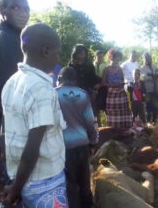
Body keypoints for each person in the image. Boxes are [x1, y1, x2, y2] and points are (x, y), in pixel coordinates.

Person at [0, 23, 68, 207]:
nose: (58, 57)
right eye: (57, 52)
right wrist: (14, 191)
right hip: (45, 180)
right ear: (46, 51)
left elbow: (4, 131)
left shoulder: (11, 83)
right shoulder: (42, 88)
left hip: (18, 175)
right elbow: (33, 146)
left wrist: (13, 182)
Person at [0, 0, 29, 161]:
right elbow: (8, 89)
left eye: (26, 9)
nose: (23, 13)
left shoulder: (15, 38)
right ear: (2, 11)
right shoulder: (7, 40)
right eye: (15, 7)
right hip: (3, 123)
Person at [56, 67, 99, 208]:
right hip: (82, 143)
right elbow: (90, 121)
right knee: (84, 181)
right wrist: (93, 143)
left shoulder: (53, 94)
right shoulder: (83, 94)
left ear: (60, 78)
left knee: (69, 184)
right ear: (74, 80)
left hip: (63, 146)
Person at [102, 49, 132, 130]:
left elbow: (122, 80)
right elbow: (103, 83)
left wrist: (121, 84)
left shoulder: (120, 69)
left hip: (121, 94)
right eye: (116, 59)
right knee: (112, 113)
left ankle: (123, 130)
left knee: (123, 112)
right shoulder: (106, 69)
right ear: (111, 58)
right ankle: (112, 130)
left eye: (119, 59)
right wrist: (112, 85)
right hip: (111, 94)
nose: (117, 61)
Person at [141, 52, 158, 125]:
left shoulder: (154, 66)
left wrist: (153, 76)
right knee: (148, 107)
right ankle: (148, 122)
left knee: (156, 106)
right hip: (147, 91)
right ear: (143, 59)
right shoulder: (142, 68)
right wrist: (152, 76)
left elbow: (157, 77)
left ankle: (155, 121)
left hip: (155, 90)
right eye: (146, 58)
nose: (148, 59)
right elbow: (143, 78)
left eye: (149, 57)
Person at [93, 50, 108, 126]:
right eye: (99, 56)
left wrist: (101, 84)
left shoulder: (106, 65)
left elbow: (108, 77)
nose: (100, 58)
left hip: (104, 88)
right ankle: (99, 127)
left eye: (102, 56)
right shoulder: (92, 65)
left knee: (106, 107)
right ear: (95, 56)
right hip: (95, 88)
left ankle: (108, 125)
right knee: (96, 108)